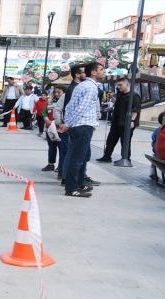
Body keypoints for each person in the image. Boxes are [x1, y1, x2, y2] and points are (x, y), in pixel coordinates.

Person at [60, 62, 105, 198]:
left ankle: (79, 183)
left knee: (81, 156)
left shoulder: (82, 85)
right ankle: (72, 188)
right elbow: (81, 108)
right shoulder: (91, 88)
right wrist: (68, 124)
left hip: (78, 126)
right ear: (94, 72)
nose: (104, 72)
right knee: (78, 158)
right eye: (102, 69)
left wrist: (68, 122)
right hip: (83, 126)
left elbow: (69, 107)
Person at [96, 77, 142, 163]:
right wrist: (112, 98)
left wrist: (132, 121)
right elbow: (118, 103)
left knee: (125, 141)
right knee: (111, 139)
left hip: (126, 122)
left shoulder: (134, 96)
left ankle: (126, 158)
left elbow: (136, 110)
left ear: (127, 84)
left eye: (120, 85)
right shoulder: (121, 94)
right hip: (116, 121)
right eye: (118, 85)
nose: (119, 87)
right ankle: (107, 156)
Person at [41, 86, 67, 178]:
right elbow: (44, 113)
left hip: (61, 129)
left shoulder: (66, 102)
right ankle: (51, 164)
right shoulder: (50, 102)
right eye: (55, 92)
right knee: (51, 147)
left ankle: (61, 167)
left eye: (59, 92)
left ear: (64, 93)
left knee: (62, 148)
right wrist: (47, 120)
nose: (56, 94)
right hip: (50, 129)